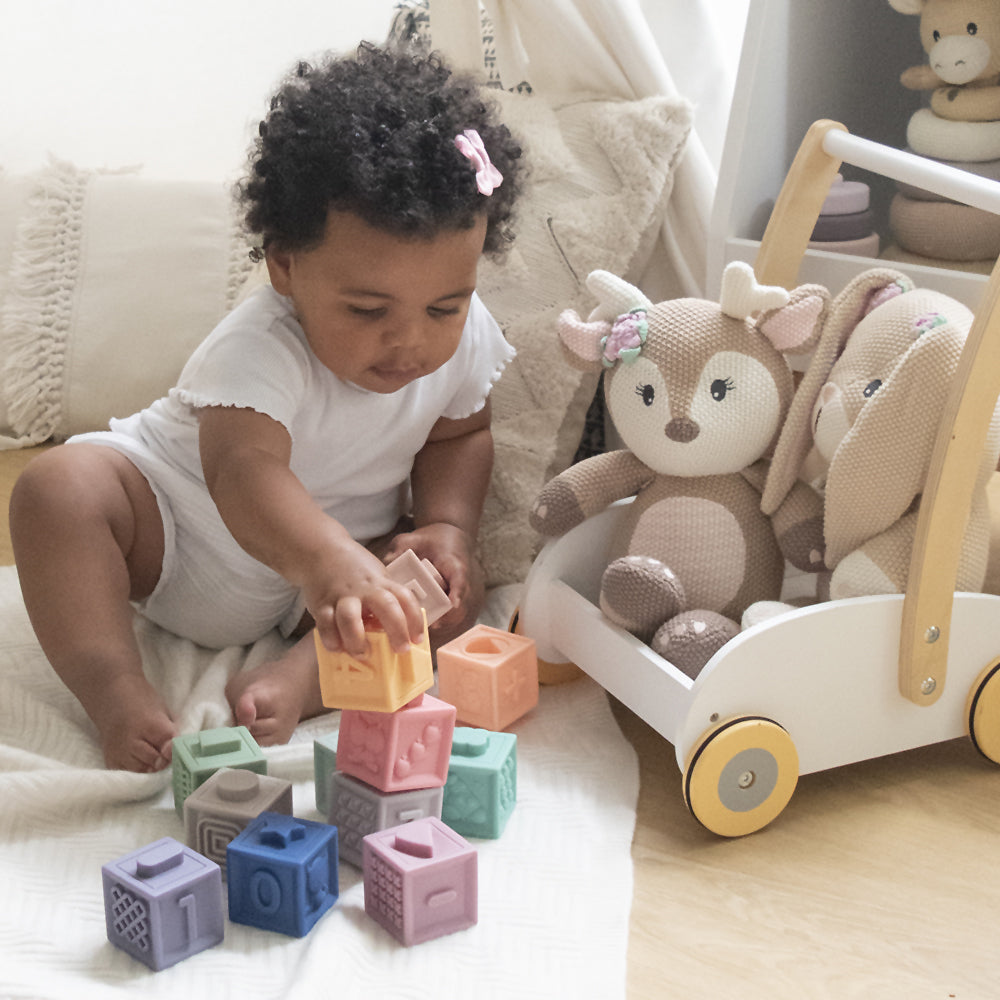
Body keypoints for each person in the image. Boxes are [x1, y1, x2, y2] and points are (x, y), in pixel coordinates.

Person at [9, 43, 524, 773]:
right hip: (183, 531)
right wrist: (324, 559)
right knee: (56, 491)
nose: (410, 340)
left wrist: (447, 525)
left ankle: (303, 679)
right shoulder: (259, 345)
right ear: (285, 264)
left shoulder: (467, 339)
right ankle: (115, 689)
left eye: (445, 305)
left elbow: (460, 434)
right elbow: (241, 471)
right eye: (367, 308)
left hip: (333, 578)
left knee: (439, 593)